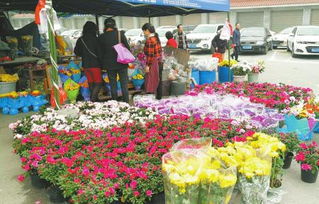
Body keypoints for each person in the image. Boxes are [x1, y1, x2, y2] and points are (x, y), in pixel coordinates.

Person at [98, 18, 130, 103]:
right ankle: (126, 103)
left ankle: (115, 103)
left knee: (113, 85)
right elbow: (128, 48)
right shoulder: (120, 34)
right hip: (122, 63)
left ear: (105, 26)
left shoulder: (101, 37)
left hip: (109, 65)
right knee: (124, 84)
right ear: (114, 25)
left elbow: (100, 53)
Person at [74, 21, 102, 102]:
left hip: (86, 65)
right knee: (98, 83)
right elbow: (100, 53)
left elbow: (76, 52)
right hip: (95, 64)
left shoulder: (80, 39)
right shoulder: (96, 39)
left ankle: (95, 99)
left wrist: (84, 54)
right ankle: (93, 100)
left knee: (91, 82)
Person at [142, 23, 163, 99]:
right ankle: (159, 98)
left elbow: (150, 55)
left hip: (154, 63)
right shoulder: (156, 38)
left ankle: (153, 98)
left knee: (152, 80)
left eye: (144, 31)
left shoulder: (150, 40)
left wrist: (148, 65)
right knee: (158, 80)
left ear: (147, 31)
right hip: (159, 62)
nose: (143, 33)